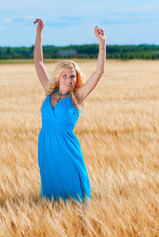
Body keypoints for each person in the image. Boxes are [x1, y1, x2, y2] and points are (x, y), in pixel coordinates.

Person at [33, 18, 106, 206]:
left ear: (76, 78)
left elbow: (98, 72)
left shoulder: (77, 97)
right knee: (51, 191)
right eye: (64, 75)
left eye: (72, 76)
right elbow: (38, 62)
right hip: (46, 148)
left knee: (73, 188)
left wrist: (102, 43)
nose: (68, 79)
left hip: (66, 150)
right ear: (58, 78)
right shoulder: (50, 91)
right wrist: (39, 33)